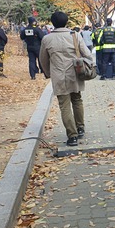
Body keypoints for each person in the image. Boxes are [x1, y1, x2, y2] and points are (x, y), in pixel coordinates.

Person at [40, 11, 92, 147]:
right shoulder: (75, 35)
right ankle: (80, 128)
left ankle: (72, 136)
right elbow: (87, 54)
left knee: (64, 106)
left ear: (53, 23)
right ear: (66, 21)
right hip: (75, 73)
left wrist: (48, 73)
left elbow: (43, 60)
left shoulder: (47, 39)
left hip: (58, 76)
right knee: (77, 100)